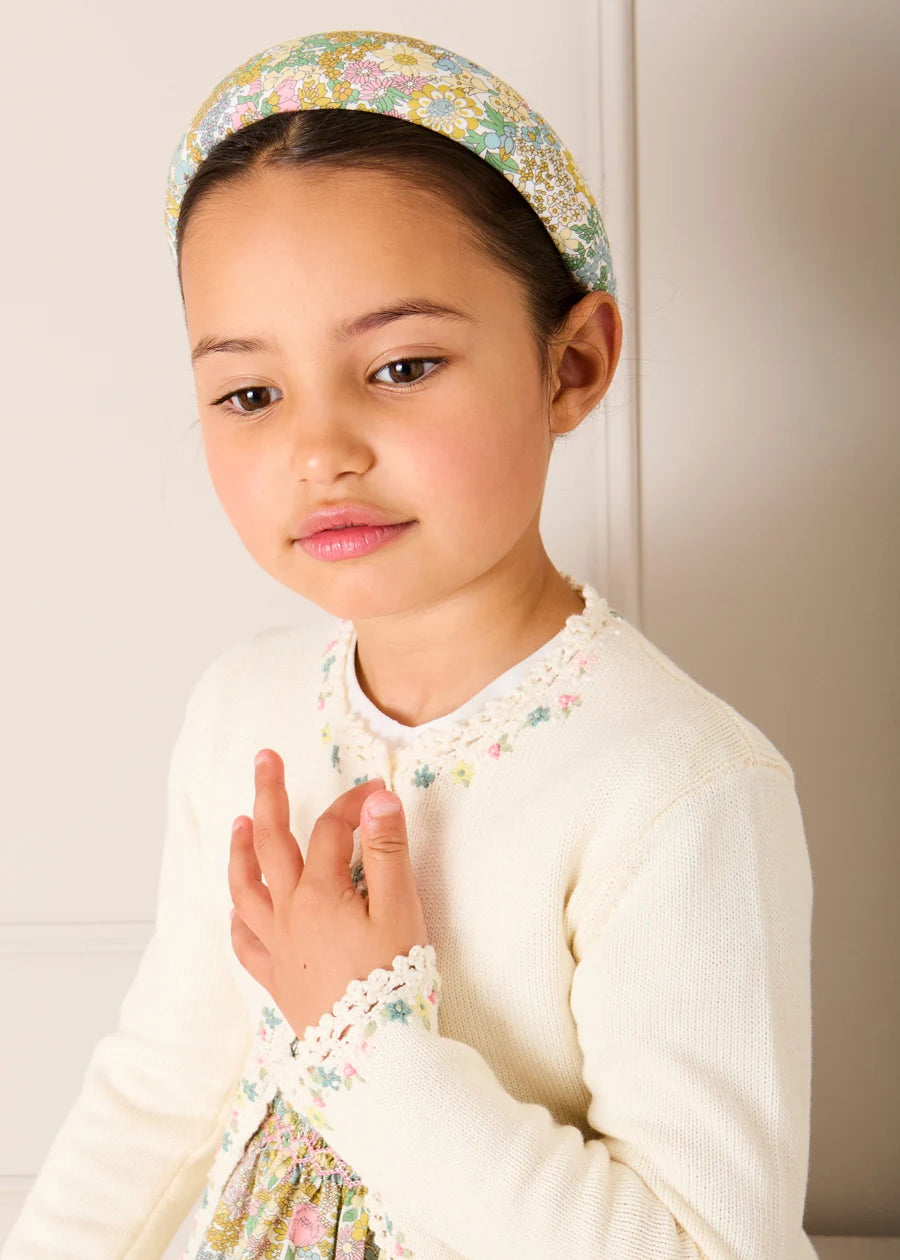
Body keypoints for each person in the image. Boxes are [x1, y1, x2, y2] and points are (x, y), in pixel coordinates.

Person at [2, 28, 818, 1260]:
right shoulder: (243, 709)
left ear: (573, 362)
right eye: (249, 394)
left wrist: (361, 1042)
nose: (319, 450)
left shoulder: (677, 786)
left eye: (400, 365)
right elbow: (158, 1095)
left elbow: (709, 1246)